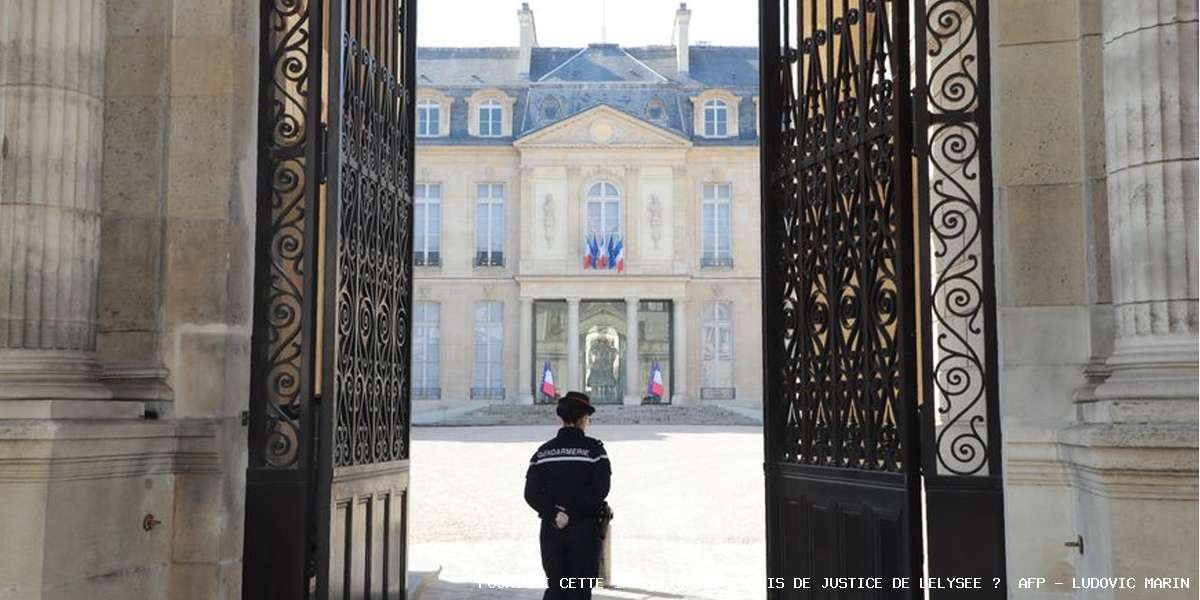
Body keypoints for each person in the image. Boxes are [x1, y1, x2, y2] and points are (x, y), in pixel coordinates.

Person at [524, 391, 612, 600]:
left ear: (562, 418)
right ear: (583, 418)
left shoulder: (543, 452)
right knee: (579, 589)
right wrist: (574, 512)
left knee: (556, 587)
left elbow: (531, 494)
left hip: (552, 530)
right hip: (584, 530)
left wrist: (555, 513)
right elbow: (600, 490)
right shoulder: (594, 451)